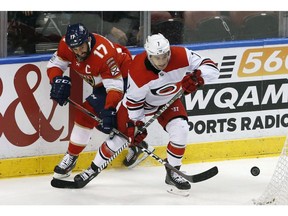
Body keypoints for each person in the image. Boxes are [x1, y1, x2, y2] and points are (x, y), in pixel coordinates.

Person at [73, 33, 219, 196]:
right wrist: (136, 126)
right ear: (149, 56)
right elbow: (134, 104)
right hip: (139, 107)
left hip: (168, 101)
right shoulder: (137, 70)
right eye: (157, 58)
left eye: (165, 56)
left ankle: (173, 173)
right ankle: (92, 170)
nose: (162, 61)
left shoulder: (181, 55)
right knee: (119, 139)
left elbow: (212, 68)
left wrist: (198, 77)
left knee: (181, 129)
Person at [47, 23, 133, 179]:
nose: (79, 52)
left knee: (86, 117)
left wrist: (109, 107)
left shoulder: (104, 54)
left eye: (81, 47)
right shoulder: (66, 44)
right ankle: (134, 143)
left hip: (125, 77)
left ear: (88, 40)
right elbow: (56, 64)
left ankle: (71, 156)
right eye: (75, 49)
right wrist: (56, 79)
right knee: (103, 123)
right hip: (101, 82)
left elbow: (115, 87)